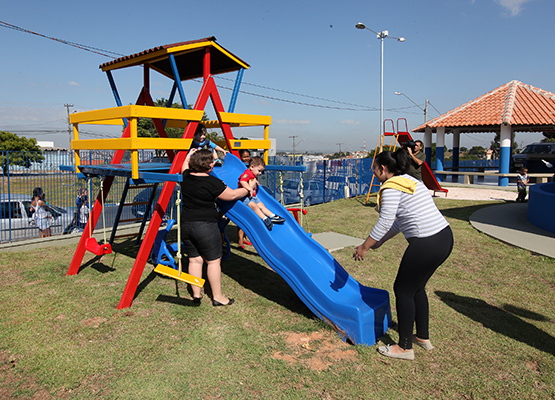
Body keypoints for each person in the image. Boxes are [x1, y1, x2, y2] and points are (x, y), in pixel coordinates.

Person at [353, 148, 453, 361]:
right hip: (444, 237)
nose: (373, 173)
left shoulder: (390, 188)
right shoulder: (409, 181)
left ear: (383, 168)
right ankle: (422, 337)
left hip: (427, 243)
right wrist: (379, 241)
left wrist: (365, 246)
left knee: (403, 289)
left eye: (374, 169)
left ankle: (405, 347)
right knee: (416, 287)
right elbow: (398, 223)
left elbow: (386, 220)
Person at [180, 148, 249, 306]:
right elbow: (231, 195)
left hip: (186, 224)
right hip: (206, 227)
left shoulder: (186, 177)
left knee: (195, 260)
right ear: (208, 165)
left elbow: (184, 166)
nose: (214, 163)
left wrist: (190, 154)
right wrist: (246, 189)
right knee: (213, 262)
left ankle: (196, 294)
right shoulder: (212, 182)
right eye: (212, 161)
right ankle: (217, 297)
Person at [239, 156, 285, 231]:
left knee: (261, 205)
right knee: (254, 206)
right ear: (252, 167)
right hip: (245, 197)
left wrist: (256, 182)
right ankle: (265, 218)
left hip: (253, 196)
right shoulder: (247, 173)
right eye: (259, 170)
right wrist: (250, 188)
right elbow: (242, 181)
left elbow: (252, 180)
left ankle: (272, 215)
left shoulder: (253, 174)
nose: (260, 173)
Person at [237, 150, 252, 249]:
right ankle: (240, 240)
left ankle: (245, 237)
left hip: (250, 195)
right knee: (242, 219)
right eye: (244, 157)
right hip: (242, 195)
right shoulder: (239, 168)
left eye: (248, 156)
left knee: (249, 218)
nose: (246, 159)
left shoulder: (251, 168)